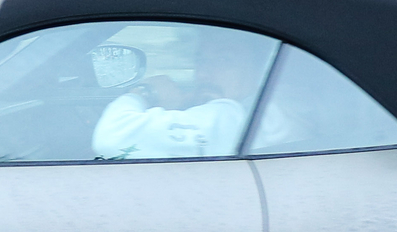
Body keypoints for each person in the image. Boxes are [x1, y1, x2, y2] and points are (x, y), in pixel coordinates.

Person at [92, 34, 267, 160]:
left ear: (261, 69)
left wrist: (143, 93)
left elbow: (112, 137)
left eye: (224, 60)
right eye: (201, 60)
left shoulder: (236, 118)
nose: (203, 74)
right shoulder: (272, 112)